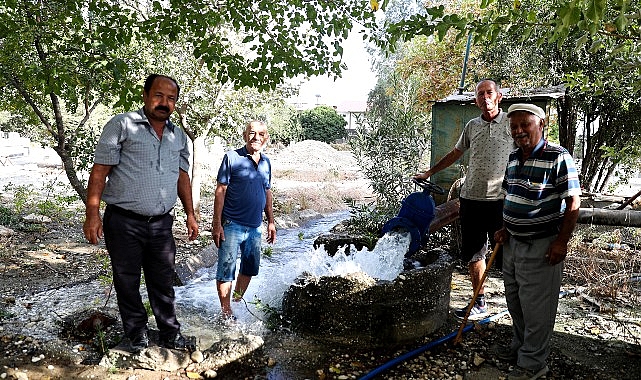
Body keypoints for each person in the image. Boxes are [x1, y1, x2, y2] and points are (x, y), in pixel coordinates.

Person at [83, 74, 199, 353]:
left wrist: (190, 214)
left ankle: (170, 333)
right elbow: (100, 172)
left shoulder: (178, 135)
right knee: (127, 280)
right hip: (124, 221)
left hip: (161, 224)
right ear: (146, 96)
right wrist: (92, 214)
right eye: (158, 96)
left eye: (171, 98)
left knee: (163, 280)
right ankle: (136, 334)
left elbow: (182, 176)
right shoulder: (121, 125)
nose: (164, 103)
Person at [494, 103, 581, 380]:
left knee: (537, 308)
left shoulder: (558, 156)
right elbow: (510, 197)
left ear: (541, 125)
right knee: (515, 300)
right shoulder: (513, 157)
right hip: (513, 243)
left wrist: (561, 242)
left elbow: (573, 202)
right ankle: (521, 347)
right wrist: (504, 228)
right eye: (514, 126)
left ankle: (533, 363)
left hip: (542, 244)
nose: (518, 131)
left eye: (525, 125)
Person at [414, 79, 514, 319]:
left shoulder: (511, 123)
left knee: (509, 256)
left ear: (499, 96)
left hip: (501, 200)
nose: (485, 97)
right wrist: (430, 173)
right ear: (476, 100)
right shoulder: (472, 126)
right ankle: (479, 302)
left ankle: (517, 308)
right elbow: (455, 154)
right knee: (474, 253)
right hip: (471, 199)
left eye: (489, 93)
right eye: (480, 94)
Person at [211, 120, 276, 319]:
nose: (256, 137)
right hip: (232, 224)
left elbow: (267, 191)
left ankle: (237, 303)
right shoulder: (231, 157)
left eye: (261, 134)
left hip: (255, 227)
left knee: (249, 268)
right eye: (252, 133)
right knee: (226, 269)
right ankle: (226, 311)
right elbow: (220, 191)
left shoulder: (266, 163)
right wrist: (216, 224)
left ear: (266, 138)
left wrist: (271, 221)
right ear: (244, 135)